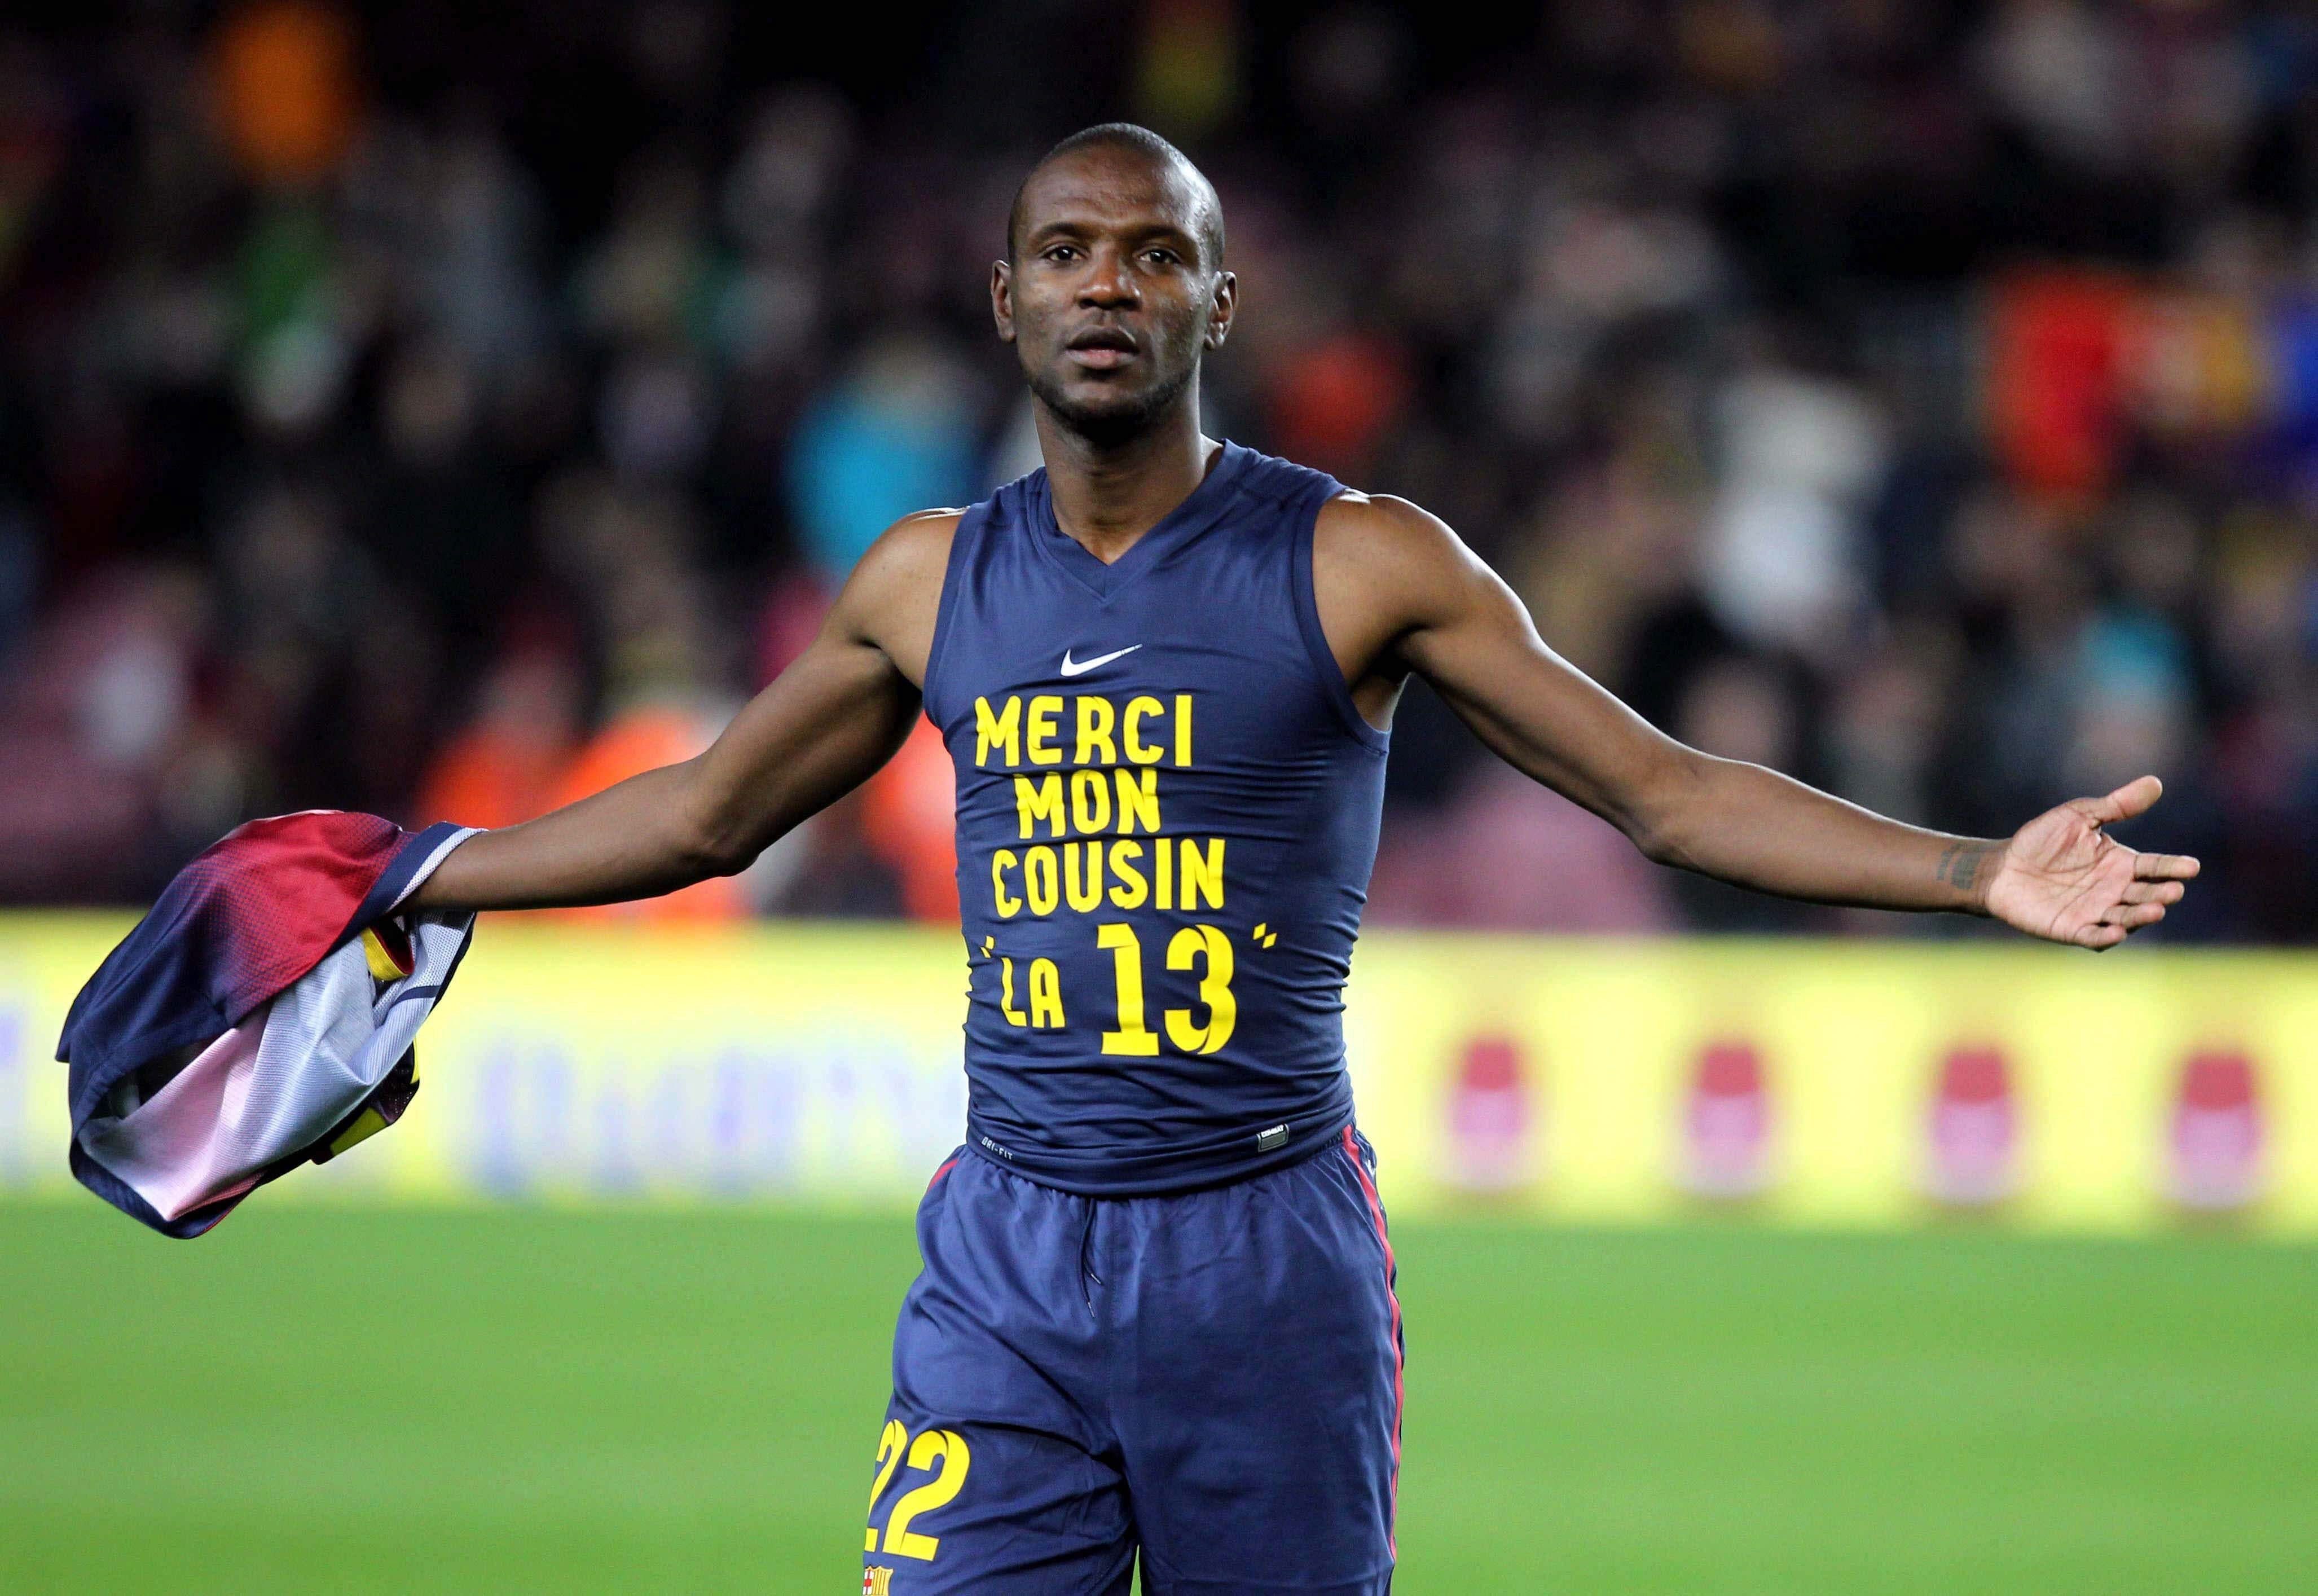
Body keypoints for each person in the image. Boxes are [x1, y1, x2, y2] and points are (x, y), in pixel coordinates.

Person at [409, 124, 2201, 1595]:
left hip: (1262, 1263)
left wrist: (1978, 871)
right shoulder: (925, 582)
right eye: (1066, 250)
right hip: (1009, 1257)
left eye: (1154, 252)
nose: (1108, 281)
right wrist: (412, 879)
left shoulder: (1358, 561)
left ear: (1220, 299)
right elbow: (709, 812)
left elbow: (1665, 792)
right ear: (1005, 296)